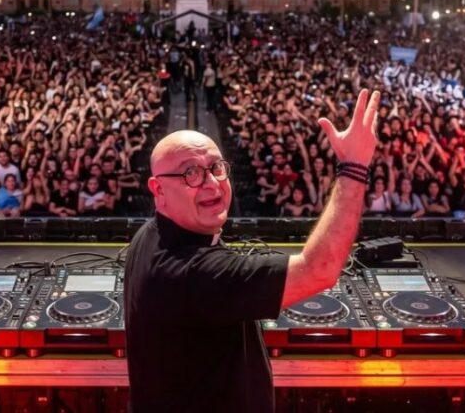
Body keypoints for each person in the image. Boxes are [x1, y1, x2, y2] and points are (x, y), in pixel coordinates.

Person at [124, 89, 381, 413]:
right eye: (191, 173)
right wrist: (354, 167)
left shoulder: (147, 235)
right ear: (158, 189)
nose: (212, 183)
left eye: (216, 167)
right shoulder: (198, 274)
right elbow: (320, 269)